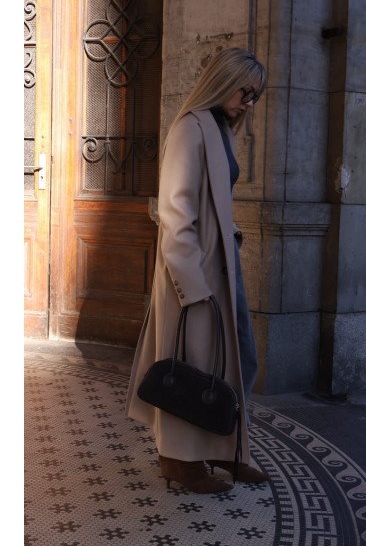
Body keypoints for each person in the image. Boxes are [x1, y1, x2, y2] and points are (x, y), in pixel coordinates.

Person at [125, 47, 268, 493]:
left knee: (234, 359)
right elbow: (175, 211)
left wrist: (230, 233)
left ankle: (222, 447)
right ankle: (178, 460)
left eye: (255, 96)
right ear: (223, 81)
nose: (249, 103)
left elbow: (212, 204)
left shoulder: (218, 127)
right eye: (245, 92)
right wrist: (192, 285)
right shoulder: (190, 128)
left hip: (219, 266)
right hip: (194, 274)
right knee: (191, 365)